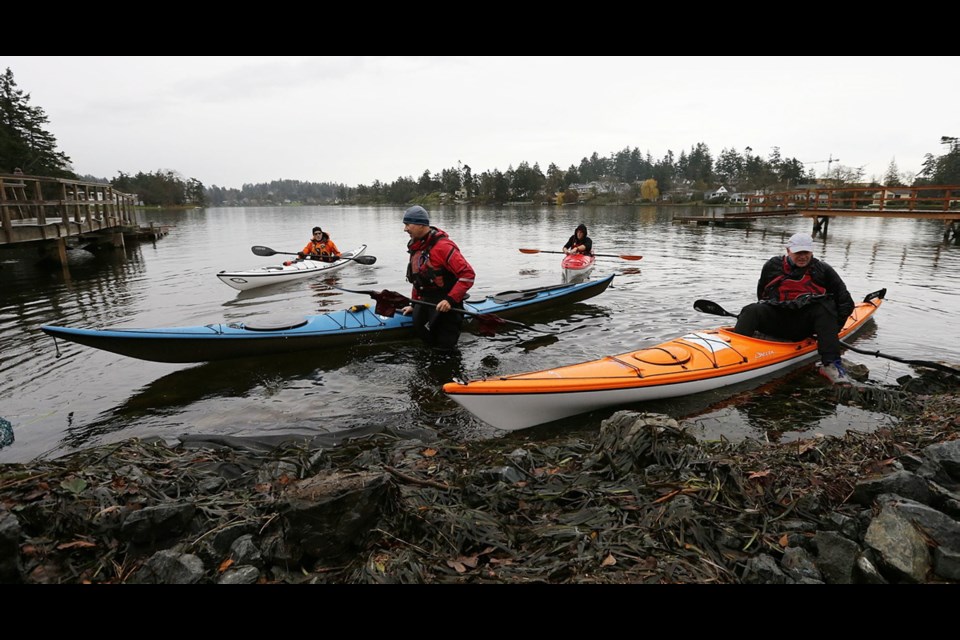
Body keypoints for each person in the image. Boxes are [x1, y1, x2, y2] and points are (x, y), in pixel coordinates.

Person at [732, 232, 855, 384]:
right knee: (751, 309)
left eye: (806, 252)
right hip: (778, 319)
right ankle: (735, 353)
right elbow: (762, 295)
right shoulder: (772, 266)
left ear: (812, 251)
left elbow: (846, 302)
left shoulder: (823, 270)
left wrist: (829, 331)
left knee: (825, 305)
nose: (802, 257)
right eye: (798, 253)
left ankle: (830, 364)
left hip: (803, 327)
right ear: (788, 250)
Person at [400, 205, 476, 351]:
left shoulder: (443, 247)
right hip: (425, 303)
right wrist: (413, 304)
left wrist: (450, 300)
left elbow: (467, 275)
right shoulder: (416, 246)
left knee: (445, 350)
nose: (405, 229)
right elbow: (418, 279)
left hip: (446, 305)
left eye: (407, 224)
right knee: (428, 346)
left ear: (421, 224)